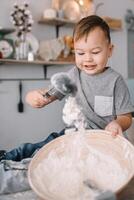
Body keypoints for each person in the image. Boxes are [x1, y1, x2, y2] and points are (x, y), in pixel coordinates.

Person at [1, 15, 134, 161]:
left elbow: (126, 116)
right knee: (41, 147)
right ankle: (7, 158)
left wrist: (117, 123)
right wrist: (33, 97)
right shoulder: (72, 76)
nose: (88, 58)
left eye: (95, 52)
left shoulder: (115, 81)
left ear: (110, 50)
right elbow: (48, 95)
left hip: (105, 140)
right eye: (80, 53)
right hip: (75, 135)